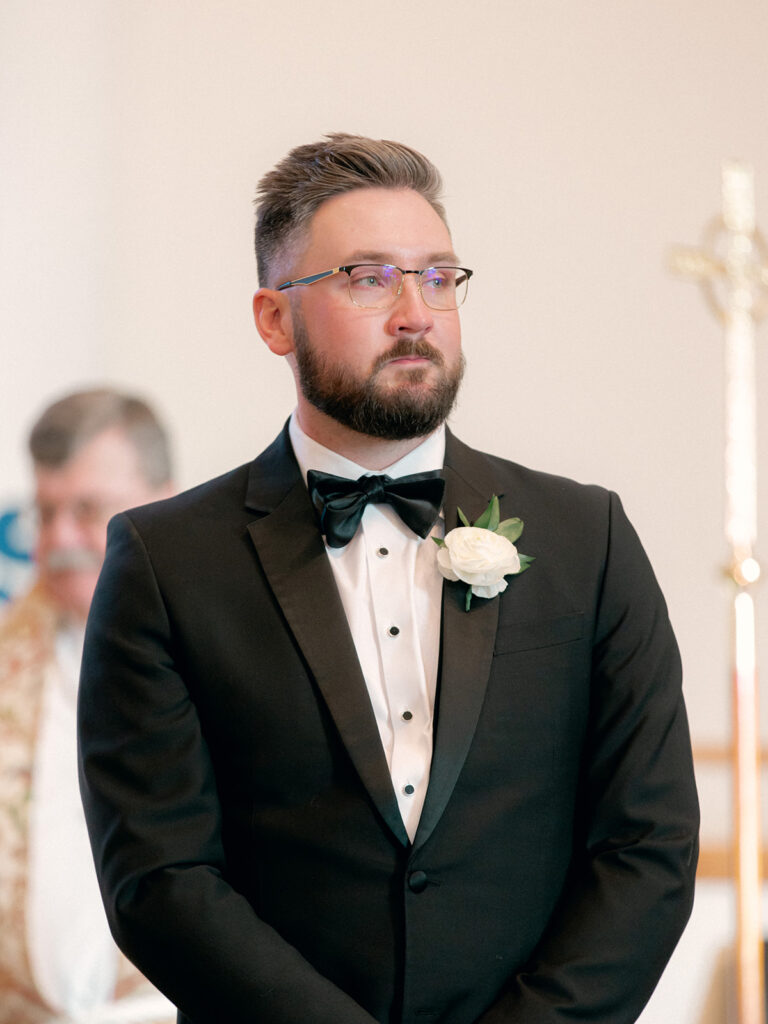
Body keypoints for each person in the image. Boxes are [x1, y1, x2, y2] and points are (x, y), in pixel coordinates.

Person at [78, 135, 699, 1024]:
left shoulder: (586, 538)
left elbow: (650, 842)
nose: (416, 312)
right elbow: (160, 878)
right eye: (369, 278)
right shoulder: (166, 562)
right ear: (273, 319)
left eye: (440, 278)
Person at [0, 388, 176, 1023]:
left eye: (87, 510)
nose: (61, 538)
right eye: (46, 514)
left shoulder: (232, 647)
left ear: (165, 501)